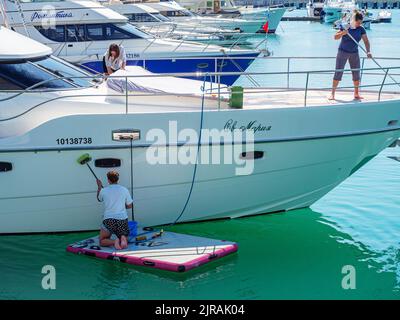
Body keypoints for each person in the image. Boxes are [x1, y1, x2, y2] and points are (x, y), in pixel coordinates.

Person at [329, 11, 372, 101]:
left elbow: (366, 41)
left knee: (356, 73)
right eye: (358, 22)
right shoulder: (345, 26)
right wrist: (342, 33)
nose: (359, 24)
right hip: (343, 52)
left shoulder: (361, 29)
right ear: (353, 20)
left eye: (361, 23)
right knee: (338, 72)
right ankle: (332, 94)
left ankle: (356, 94)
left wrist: (368, 52)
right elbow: (335, 37)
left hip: (354, 53)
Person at [96, 170, 133, 250]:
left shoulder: (103, 190)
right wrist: (122, 206)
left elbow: (99, 199)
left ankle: (114, 241)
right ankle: (122, 238)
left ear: (108, 180)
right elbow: (130, 206)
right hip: (122, 220)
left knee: (102, 241)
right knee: (124, 234)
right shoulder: (124, 189)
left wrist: (99, 186)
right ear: (117, 179)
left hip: (109, 220)